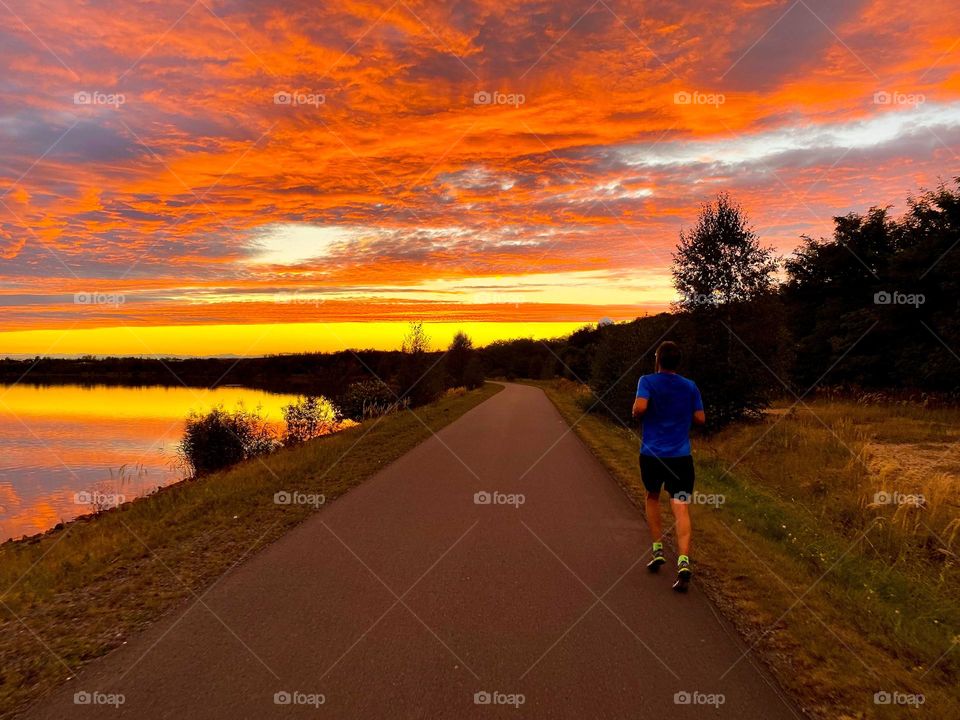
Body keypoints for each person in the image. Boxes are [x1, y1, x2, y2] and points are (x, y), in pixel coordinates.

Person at [632, 341, 706, 592]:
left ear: (658, 359)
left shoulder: (647, 381)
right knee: (680, 504)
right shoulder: (690, 386)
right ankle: (684, 560)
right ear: (678, 362)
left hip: (652, 454)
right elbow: (700, 418)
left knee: (652, 497)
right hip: (681, 456)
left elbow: (640, 407)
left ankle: (658, 549)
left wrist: (637, 414)